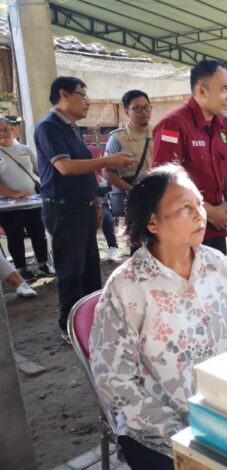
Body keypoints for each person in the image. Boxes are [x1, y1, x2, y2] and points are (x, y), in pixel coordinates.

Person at [90, 166, 227, 470]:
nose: (199, 215)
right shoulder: (126, 288)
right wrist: (184, 433)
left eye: (200, 204)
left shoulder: (220, 266)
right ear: (152, 223)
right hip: (160, 433)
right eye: (184, 209)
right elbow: (115, 382)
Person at [34, 76, 136, 334]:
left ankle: (92, 323)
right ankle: (69, 328)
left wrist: (96, 201)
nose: (88, 102)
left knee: (91, 270)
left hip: (83, 207)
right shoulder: (49, 127)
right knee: (70, 273)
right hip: (64, 209)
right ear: (63, 94)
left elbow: (83, 172)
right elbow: (65, 167)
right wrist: (107, 160)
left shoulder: (70, 128)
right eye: (83, 95)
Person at [153, 60, 227, 254]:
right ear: (201, 91)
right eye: (225, 90)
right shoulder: (173, 125)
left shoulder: (221, 125)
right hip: (184, 231)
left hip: (215, 228)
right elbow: (165, 182)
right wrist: (208, 211)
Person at [0, 116, 55, 281]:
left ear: (13, 129)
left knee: (38, 234)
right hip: (8, 207)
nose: (3, 134)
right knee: (15, 237)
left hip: (32, 203)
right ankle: (22, 268)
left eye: (5, 129)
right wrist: (12, 194)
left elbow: (41, 170)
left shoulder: (23, 149)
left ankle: (43, 264)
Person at [104, 90, 154, 220]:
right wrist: (132, 190)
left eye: (146, 107)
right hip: (132, 200)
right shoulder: (117, 138)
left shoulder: (160, 133)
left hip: (157, 197)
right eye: (137, 108)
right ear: (126, 111)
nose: (144, 112)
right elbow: (107, 172)